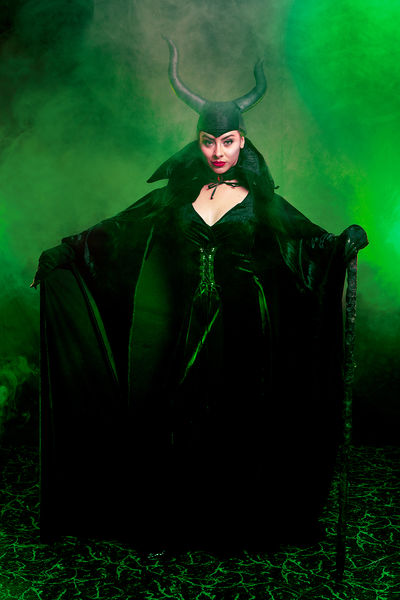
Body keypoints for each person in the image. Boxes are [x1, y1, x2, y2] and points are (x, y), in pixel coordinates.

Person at [33, 39, 367, 550]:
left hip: (244, 323)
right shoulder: (176, 196)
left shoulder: (261, 201)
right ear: (198, 141)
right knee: (182, 410)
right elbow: (120, 229)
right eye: (209, 142)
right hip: (186, 322)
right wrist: (65, 252)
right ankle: (185, 512)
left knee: (240, 413)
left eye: (227, 142)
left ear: (242, 142)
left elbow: (307, 241)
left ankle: (240, 513)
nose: (217, 153)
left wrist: (343, 242)